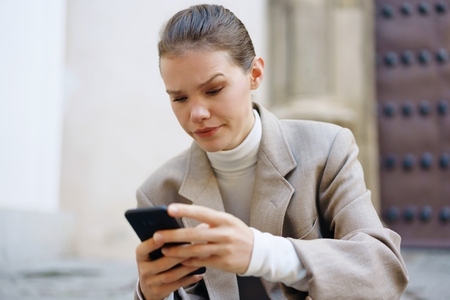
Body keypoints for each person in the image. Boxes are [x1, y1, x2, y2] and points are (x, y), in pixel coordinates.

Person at [133, 4, 409, 300]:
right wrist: (148, 295)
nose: (197, 113)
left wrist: (263, 253)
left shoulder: (327, 149)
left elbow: (384, 269)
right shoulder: (159, 192)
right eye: (180, 98)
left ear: (254, 73)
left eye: (213, 90)